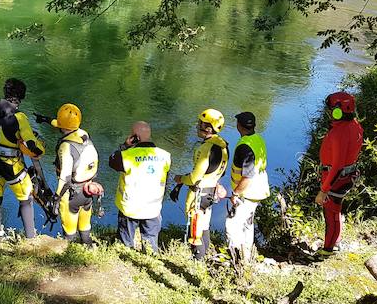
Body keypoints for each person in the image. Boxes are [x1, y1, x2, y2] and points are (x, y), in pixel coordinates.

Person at [0, 78, 46, 240]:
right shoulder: (19, 117)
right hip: (11, 165)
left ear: (5, 92)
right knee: (26, 196)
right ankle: (30, 237)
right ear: (22, 96)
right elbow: (31, 145)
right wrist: (40, 149)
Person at [174, 108, 230, 260]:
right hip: (210, 192)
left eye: (200, 123)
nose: (197, 126)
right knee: (203, 227)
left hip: (199, 194)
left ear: (208, 128)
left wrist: (180, 179)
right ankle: (205, 258)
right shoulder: (224, 146)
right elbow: (221, 172)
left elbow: (194, 178)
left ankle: (197, 264)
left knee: (195, 231)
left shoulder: (206, 148)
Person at [109, 121, 171, 252]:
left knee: (125, 242)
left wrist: (125, 145)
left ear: (134, 137)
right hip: (153, 208)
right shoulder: (165, 155)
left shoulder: (127, 156)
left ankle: (125, 256)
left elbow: (112, 161)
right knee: (151, 241)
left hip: (130, 208)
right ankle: (150, 259)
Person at [315, 91, 363, 256]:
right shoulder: (355, 125)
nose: (329, 113)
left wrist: (324, 190)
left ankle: (328, 249)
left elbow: (337, 166)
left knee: (330, 214)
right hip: (346, 176)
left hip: (335, 179)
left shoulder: (339, 133)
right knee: (336, 211)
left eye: (331, 110)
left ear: (338, 110)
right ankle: (335, 242)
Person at [51, 103, 100, 245]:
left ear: (61, 124)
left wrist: (57, 197)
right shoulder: (83, 134)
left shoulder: (66, 146)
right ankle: (88, 246)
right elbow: (66, 126)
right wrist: (48, 121)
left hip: (72, 193)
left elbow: (65, 177)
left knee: (69, 228)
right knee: (85, 223)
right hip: (88, 189)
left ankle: (70, 252)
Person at [225, 111, 270, 266]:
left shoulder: (244, 147)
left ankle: (236, 261)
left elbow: (247, 177)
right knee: (247, 224)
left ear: (239, 126)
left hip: (246, 193)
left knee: (232, 225)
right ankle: (247, 257)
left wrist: (236, 193)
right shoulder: (257, 139)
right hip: (258, 190)